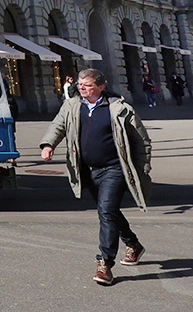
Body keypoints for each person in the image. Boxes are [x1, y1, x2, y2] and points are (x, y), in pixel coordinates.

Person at [39, 68, 152, 286]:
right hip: (86, 170)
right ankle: (133, 244)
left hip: (114, 169)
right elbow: (58, 125)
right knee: (108, 211)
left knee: (106, 211)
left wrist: (143, 166)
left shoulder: (118, 109)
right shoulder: (72, 105)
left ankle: (105, 265)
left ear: (101, 87)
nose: (82, 88)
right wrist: (48, 144)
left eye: (87, 85)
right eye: (80, 84)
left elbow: (141, 140)